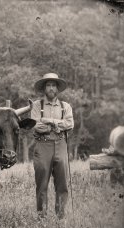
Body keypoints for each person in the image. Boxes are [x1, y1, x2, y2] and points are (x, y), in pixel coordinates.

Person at [31, 73, 74, 219]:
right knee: (42, 183)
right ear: (44, 88)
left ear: (57, 89)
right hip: (42, 145)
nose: (51, 88)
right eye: (48, 85)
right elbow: (36, 126)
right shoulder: (37, 105)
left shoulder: (65, 106)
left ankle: (61, 216)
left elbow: (70, 124)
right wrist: (55, 125)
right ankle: (42, 216)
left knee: (62, 183)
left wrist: (49, 121)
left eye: (53, 85)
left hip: (61, 144)